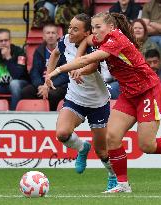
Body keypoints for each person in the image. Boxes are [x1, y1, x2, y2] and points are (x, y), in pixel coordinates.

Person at [46, 12, 161, 193]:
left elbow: (88, 59)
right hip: (129, 94)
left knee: (147, 145)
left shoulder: (116, 40)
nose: (94, 31)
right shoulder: (101, 37)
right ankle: (123, 184)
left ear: (111, 27)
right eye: (93, 28)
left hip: (148, 92)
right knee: (112, 137)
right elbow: (86, 41)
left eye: (98, 27)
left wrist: (57, 70)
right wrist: (78, 54)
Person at [45, 13, 117, 191]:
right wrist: (48, 75)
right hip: (75, 98)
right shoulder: (66, 41)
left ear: (86, 33)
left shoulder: (95, 45)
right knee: (62, 133)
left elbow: (93, 65)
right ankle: (82, 148)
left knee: (102, 151)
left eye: (75, 29)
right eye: (70, 27)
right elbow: (55, 54)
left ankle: (113, 176)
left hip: (98, 102)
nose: (70, 32)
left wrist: (81, 71)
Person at [21, 24, 69, 111]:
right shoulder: (39, 51)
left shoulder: (64, 51)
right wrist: (40, 85)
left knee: (53, 94)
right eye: (48, 33)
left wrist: (49, 85)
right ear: (43, 36)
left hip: (58, 85)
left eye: (53, 33)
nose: (50, 35)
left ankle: (51, 116)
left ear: (58, 36)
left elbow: (65, 74)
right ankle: (34, 114)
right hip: (42, 84)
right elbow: (34, 71)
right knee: (26, 91)